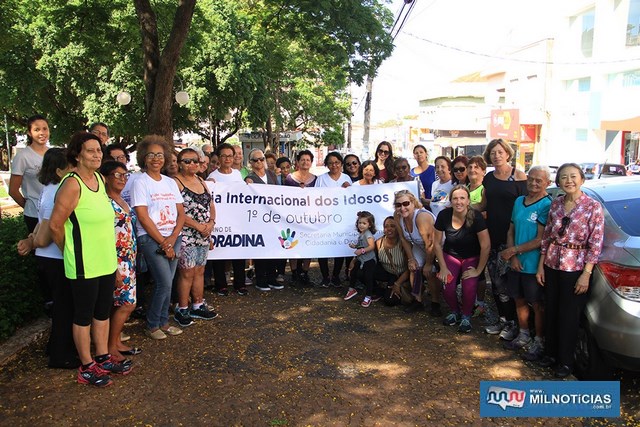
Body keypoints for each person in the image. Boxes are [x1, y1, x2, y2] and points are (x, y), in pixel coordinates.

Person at [49, 132, 131, 387]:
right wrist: (70, 253)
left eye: (99, 150)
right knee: (83, 315)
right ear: (77, 154)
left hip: (106, 261)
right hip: (84, 263)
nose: (96, 155)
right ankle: (86, 366)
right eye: (90, 151)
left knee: (102, 312)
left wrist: (114, 264)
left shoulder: (97, 178)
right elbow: (55, 225)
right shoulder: (72, 184)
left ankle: (103, 357)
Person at [536, 163, 604, 378]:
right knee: (552, 310)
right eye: (564, 177)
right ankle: (550, 354)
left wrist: (586, 273)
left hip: (575, 267)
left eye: (573, 176)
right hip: (552, 263)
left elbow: (596, 243)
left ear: (582, 179)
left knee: (569, 316)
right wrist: (541, 266)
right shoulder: (556, 204)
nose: (569, 181)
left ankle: (566, 362)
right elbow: (547, 236)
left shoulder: (592, 207)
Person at [16, 148, 77, 369]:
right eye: (72, 165)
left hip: (49, 257)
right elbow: (50, 230)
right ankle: (61, 354)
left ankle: (56, 347)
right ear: (61, 171)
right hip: (56, 258)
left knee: (62, 305)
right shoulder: (56, 192)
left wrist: (32, 240)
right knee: (65, 307)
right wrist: (70, 254)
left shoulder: (49, 188)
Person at [131, 135, 186, 340]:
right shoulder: (140, 182)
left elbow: (181, 213)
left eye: (160, 155)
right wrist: (164, 242)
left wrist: (172, 238)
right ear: (144, 158)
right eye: (151, 154)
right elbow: (142, 216)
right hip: (151, 238)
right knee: (163, 282)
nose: (156, 158)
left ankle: (164, 321)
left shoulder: (171, 183)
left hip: (174, 237)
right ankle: (153, 324)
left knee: (169, 281)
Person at [499, 166, 552, 359]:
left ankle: (539, 340)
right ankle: (523, 334)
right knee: (518, 299)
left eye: (539, 180)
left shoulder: (547, 204)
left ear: (547, 183)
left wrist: (513, 250)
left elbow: (540, 239)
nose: (534, 183)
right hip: (516, 263)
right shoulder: (519, 201)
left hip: (533, 264)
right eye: (531, 179)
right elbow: (511, 230)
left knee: (536, 303)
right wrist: (512, 257)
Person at [480, 139, 528, 340]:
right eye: (493, 152)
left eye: (500, 152)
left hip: (512, 240)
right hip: (492, 236)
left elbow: (525, 207)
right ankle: (503, 320)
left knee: (511, 285)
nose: (496, 155)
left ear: (507, 154)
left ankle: (517, 325)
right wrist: (459, 207)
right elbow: (483, 205)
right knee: (497, 284)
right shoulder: (489, 178)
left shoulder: (518, 176)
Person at [434, 185, 490, 333]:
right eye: (455, 198)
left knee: (469, 286)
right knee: (447, 284)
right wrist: (443, 267)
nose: (458, 202)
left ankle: (466, 316)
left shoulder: (476, 217)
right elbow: (437, 243)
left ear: (468, 201)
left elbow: (486, 245)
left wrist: (478, 271)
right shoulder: (444, 216)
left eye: (462, 198)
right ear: (450, 201)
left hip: (472, 257)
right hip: (451, 255)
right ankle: (455, 311)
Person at [172, 148, 218, 327]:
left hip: (204, 234)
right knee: (186, 272)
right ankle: (182, 307)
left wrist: (211, 223)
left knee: (200, 270)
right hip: (186, 234)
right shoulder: (175, 182)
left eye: (195, 161)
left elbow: (211, 204)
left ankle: (198, 304)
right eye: (187, 161)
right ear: (180, 163)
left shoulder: (201, 180)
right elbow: (178, 211)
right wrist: (198, 226)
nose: (192, 164)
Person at [100, 161, 140, 361]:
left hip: (128, 256)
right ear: (106, 177)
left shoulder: (121, 199)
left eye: (125, 175)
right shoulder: (105, 202)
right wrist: (114, 266)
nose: (123, 179)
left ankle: (115, 342)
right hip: (116, 258)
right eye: (118, 175)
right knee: (126, 303)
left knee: (122, 303)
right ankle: (109, 346)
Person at [207, 143, 247, 295]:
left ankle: (240, 283)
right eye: (223, 156)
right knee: (219, 253)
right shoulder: (213, 177)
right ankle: (221, 285)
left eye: (230, 155)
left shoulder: (237, 174)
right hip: (220, 221)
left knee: (238, 251)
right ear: (219, 158)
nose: (227, 159)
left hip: (237, 220)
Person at [393, 190, 439, 314]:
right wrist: (411, 259)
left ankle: (436, 303)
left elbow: (430, 244)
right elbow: (403, 238)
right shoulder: (397, 216)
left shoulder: (422, 217)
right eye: (398, 205)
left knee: (429, 273)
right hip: (419, 246)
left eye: (406, 204)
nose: (402, 208)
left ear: (413, 203)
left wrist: (429, 264)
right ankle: (417, 300)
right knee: (414, 268)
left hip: (438, 247)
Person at [244, 148, 283, 292]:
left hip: (273, 219)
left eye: (261, 159)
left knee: (273, 249)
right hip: (258, 220)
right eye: (255, 160)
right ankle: (261, 280)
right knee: (261, 250)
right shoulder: (249, 178)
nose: (259, 162)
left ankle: (272, 278)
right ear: (251, 163)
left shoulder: (272, 175)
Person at [316, 152, 351, 288]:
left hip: (342, 218)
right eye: (330, 163)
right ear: (327, 165)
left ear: (341, 164)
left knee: (339, 247)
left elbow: (352, 198)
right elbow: (315, 197)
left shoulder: (346, 178)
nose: (334, 165)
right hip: (324, 218)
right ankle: (325, 276)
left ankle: (336, 276)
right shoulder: (321, 179)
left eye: (336, 162)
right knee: (322, 247)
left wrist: (349, 189)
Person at [10, 115, 49, 232]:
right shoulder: (23, 157)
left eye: (45, 129)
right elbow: (13, 190)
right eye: (37, 130)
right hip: (34, 216)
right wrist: (29, 207)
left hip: (54, 212)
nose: (42, 133)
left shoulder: (53, 154)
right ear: (29, 133)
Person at [284, 150, 317, 285]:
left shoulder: (316, 179)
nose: (305, 162)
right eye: (302, 159)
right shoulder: (290, 178)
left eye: (308, 160)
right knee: (293, 243)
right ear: (297, 162)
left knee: (307, 244)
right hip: (293, 217)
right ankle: (294, 273)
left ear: (311, 162)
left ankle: (305, 272)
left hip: (309, 217)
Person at [467, 155, 488, 317]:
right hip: (465, 236)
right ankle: (470, 299)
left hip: (479, 235)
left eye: (476, 167)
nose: (472, 170)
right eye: (470, 167)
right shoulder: (466, 187)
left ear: (483, 171)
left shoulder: (484, 189)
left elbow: (486, 212)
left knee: (480, 272)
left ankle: (480, 303)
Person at [344, 211, 378, 307]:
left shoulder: (368, 234)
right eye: (360, 223)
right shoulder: (362, 234)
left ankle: (368, 296)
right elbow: (362, 245)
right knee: (353, 272)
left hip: (369, 260)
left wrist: (361, 251)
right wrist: (355, 246)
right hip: (361, 259)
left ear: (370, 225)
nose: (361, 225)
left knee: (368, 277)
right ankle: (351, 289)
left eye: (364, 223)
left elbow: (371, 246)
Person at [375, 216, 410, 306]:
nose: (389, 229)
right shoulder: (379, 242)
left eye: (393, 226)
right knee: (361, 271)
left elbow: (410, 268)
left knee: (390, 301)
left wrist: (397, 284)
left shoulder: (404, 244)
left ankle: (391, 290)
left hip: (402, 275)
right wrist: (354, 260)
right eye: (386, 226)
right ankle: (380, 290)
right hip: (387, 273)